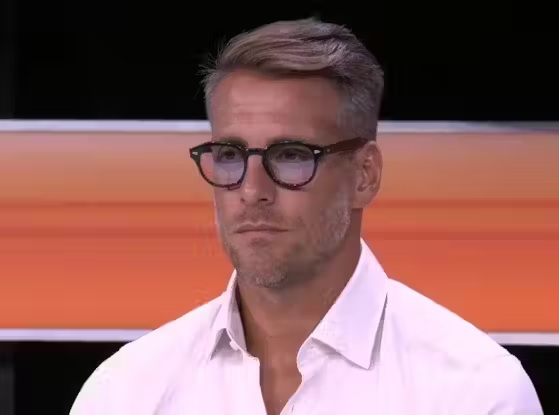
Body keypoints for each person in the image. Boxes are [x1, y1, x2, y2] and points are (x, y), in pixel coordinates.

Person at [70, 18, 543, 415]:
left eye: (292, 155)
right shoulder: (125, 392)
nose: (252, 191)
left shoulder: (474, 394)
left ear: (365, 175)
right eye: (231, 155)